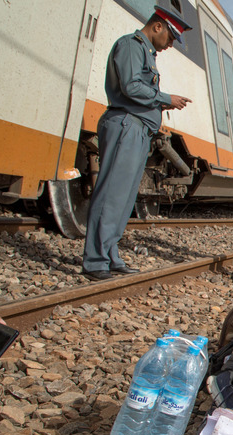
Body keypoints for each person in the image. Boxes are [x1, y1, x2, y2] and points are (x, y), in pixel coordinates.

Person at [82, 6, 192, 280]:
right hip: (125, 124)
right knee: (111, 194)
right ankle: (95, 261)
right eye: (170, 38)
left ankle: (109, 255)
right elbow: (131, 86)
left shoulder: (146, 52)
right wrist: (166, 98)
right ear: (158, 26)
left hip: (136, 129)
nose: (170, 45)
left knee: (124, 196)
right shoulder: (131, 45)